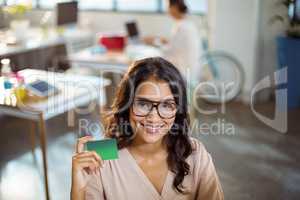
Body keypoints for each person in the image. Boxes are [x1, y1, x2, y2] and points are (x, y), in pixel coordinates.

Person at [71, 57, 223, 200]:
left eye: (167, 105)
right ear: (127, 105)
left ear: (178, 110)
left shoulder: (195, 153)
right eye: (143, 104)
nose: (154, 118)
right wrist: (79, 188)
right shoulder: (99, 155)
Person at [144, 0, 202, 82]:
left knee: (150, 68)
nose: (167, 10)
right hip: (192, 71)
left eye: (168, 7)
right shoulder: (188, 24)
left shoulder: (182, 27)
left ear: (174, 7)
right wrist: (162, 40)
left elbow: (168, 51)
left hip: (184, 73)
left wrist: (154, 43)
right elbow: (176, 44)